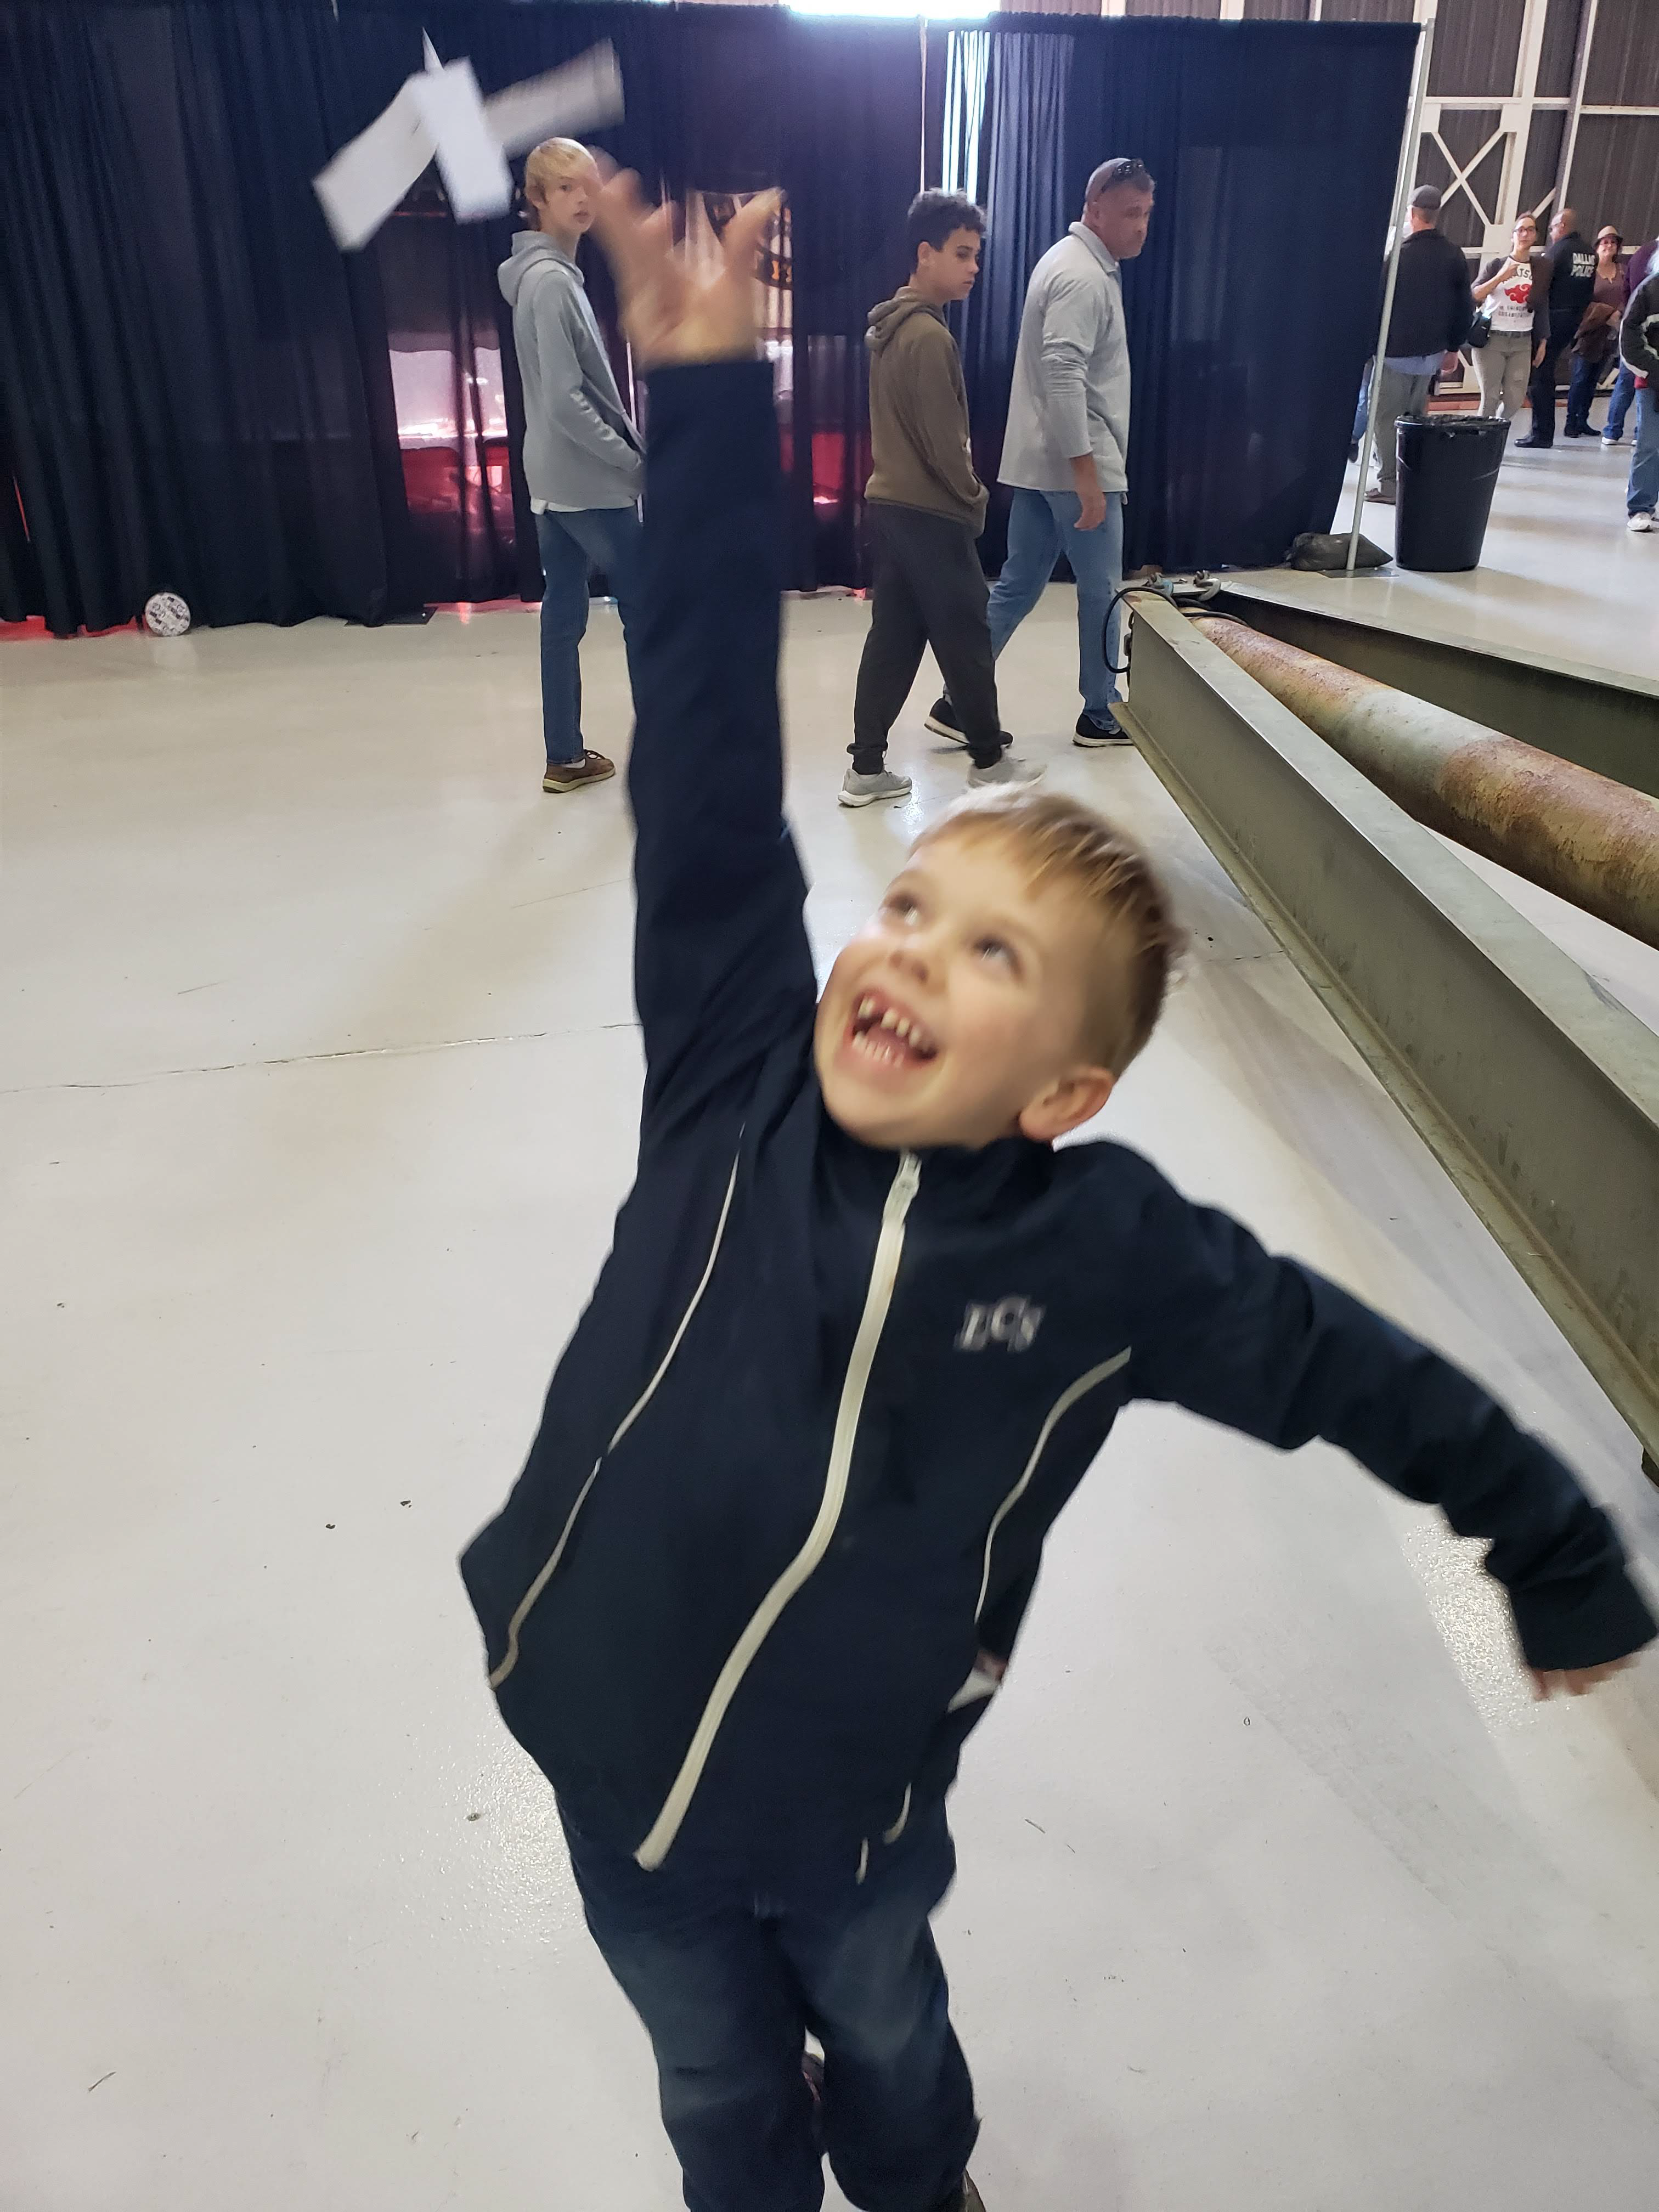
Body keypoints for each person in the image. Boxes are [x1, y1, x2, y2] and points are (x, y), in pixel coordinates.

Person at [460, 173, 1656, 2212]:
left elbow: (1351, 1368)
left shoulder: (1104, 1257)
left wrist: (1548, 1542)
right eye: (910, 907)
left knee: (892, 2060)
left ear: (1070, 1090)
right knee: (714, 2096)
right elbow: (700, 768)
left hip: (847, 1815)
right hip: (590, 1743)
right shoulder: (729, 1073)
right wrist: (710, 396)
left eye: (987, 955)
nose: (909, 950)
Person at [930, 157, 1156, 753]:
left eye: (1147, 214)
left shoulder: (1069, 261)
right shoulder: (1082, 275)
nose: (1141, 226)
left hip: (1040, 459)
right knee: (1101, 590)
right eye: (1131, 214)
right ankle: (1101, 713)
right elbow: (1063, 374)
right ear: (1095, 210)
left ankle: (958, 701)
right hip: (1077, 461)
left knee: (1021, 582)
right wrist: (1086, 472)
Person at [844, 191, 1040, 809]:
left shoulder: (890, 329)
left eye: (976, 255)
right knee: (967, 635)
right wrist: (974, 497)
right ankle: (988, 760)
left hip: (893, 507)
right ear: (924, 254)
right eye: (961, 254)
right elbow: (944, 441)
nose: (973, 267)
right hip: (931, 512)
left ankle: (866, 768)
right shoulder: (928, 336)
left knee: (895, 639)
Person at [500, 138, 644, 795]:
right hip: (588, 481)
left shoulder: (537, 278)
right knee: (648, 610)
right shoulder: (553, 284)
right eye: (564, 188)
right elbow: (564, 401)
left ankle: (565, 754)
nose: (582, 199)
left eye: (588, 185)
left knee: (563, 615)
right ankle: (667, 754)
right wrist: (634, 465)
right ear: (536, 199)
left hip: (550, 480)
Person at [1363, 184, 1474, 505]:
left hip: (1395, 352)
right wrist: (1453, 348)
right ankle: (1415, 478)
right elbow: (1463, 306)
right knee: (1416, 417)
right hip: (1432, 355)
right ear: (1436, 214)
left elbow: (1377, 305)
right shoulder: (1454, 255)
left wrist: (1369, 349)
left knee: (1386, 418)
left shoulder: (1398, 257)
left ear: (1412, 214)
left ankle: (1388, 484)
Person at [1514, 205, 1596, 449]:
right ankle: (1544, 432)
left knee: (1540, 375)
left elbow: (1541, 288)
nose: (1550, 234)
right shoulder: (1589, 253)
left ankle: (1541, 434)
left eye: (1551, 228)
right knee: (1547, 373)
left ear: (1562, 226)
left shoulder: (1558, 252)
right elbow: (1589, 291)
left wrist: (1530, 311)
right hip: (1574, 320)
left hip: (1552, 320)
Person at [1470, 212, 1543, 424]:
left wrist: (1543, 340)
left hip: (1522, 340)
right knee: (1490, 397)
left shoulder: (1540, 269)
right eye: (1520, 230)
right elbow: (1475, 294)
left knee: (1514, 400)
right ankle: (1480, 441)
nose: (1525, 234)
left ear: (1536, 236)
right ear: (1512, 236)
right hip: (1493, 338)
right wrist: (1501, 277)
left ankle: (1496, 430)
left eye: (1530, 230)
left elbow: (1543, 304)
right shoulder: (1496, 265)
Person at [1563, 227, 1628, 437]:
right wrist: (1605, 313)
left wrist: (1618, 313)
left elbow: (1628, 295)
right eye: (1605, 242)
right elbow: (1580, 300)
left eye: (1613, 242)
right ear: (1597, 246)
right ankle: (1571, 421)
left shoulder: (1622, 271)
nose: (1609, 246)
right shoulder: (1590, 272)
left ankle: (1583, 419)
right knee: (1580, 378)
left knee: (1594, 380)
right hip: (1588, 333)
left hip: (1610, 334)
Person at [1603, 234, 1657, 445]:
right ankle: (1639, 433)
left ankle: (1612, 430)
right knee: (1645, 388)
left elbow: (1626, 290)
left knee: (1625, 383)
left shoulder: (1639, 254)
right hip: (1649, 334)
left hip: (1634, 328)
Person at [1619, 262, 1659, 533]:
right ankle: (1641, 506)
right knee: (1650, 444)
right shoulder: (1650, 290)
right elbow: (1629, 338)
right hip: (1653, 382)